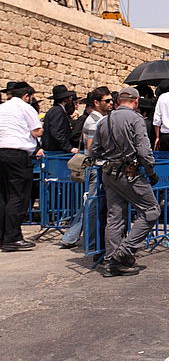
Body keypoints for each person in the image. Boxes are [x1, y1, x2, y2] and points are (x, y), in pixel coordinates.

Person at [90, 87, 161, 277]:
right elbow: (144, 150)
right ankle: (124, 252)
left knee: (115, 217)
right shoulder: (136, 119)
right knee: (152, 210)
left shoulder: (105, 121)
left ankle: (111, 261)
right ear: (136, 101)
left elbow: (94, 151)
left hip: (108, 173)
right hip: (129, 173)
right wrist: (151, 171)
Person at [59, 86, 113, 249]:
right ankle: (93, 244)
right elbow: (91, 149)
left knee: (89, 206)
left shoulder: (99, 120)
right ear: (97, 103)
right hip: (96, 169)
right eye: (107, 101)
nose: (111, 103)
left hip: (98, 168)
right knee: (92, 207)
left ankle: (71, 238)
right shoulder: (93, 122)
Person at [0, 82, 42, 251]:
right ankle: (13, 237)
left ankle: (2, 236)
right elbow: (36, 131)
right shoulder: (26, 108)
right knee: (18, 196)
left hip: (1, 152)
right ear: (26, 96)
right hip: (17, 154)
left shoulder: (2, 107)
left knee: (3, 196)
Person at [42, 84, 79, 153]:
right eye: (69, 98)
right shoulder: (57, 111)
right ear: (65, 99)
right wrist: (69, 148)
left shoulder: (57, 110)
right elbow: (57, 132)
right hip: (55, 152)